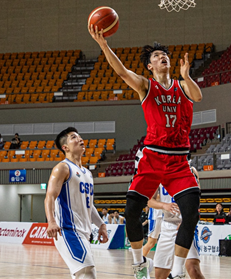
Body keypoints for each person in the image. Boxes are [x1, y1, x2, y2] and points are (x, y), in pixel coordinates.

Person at [89, 25, 202, 279]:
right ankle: (138, 262)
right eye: (157, 56)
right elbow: (120, 71)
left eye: (165, 55)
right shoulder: (145, 86)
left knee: (192, 210)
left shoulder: (182, 86)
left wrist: (186, 75)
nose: (163, 57)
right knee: (131, 209)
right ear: (150, 66)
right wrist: (104, 45)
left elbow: (198, 96)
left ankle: (177, 271)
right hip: (153, 156)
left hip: (178, 160)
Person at [45, 127, 108, 279]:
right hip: (68, 230)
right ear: (65, 147)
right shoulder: (62, 168)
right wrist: (51, 221)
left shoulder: (88, 173)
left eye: (79, 137)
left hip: (84, 233)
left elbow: (88, 205)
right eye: (74, 137)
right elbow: (50, 196)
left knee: (82, 274)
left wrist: (101, 225)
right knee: (87, 273)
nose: (80, 139)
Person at [148, 167, 204, 279]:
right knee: (159, 275)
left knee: (193, 270)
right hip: (168, 224)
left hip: (185, 224)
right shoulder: (157, 172)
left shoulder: (191, 170)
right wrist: (164, 205)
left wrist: (187, 221)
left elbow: (196, 199)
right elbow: (149, 201)